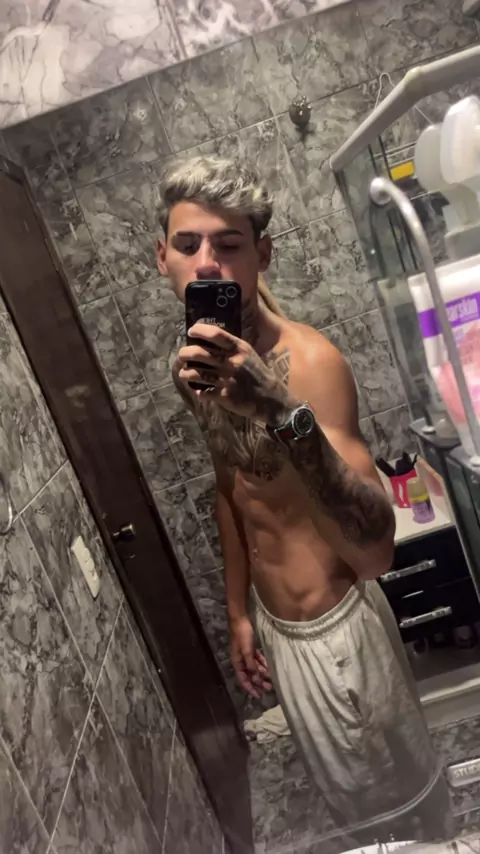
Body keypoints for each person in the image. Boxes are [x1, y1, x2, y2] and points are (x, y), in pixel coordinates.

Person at [156, 155, 453, 844]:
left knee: (404, 806)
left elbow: (375, 554)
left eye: (229, 245)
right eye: (187, 244)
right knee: (353, 810)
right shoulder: (194, 368)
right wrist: (239, 612)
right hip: (279, 629)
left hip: (339, 632)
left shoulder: (313, 365)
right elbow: (230, 487)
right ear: (160, 258)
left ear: (262, 255)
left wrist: (281, 411)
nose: (207, 264)